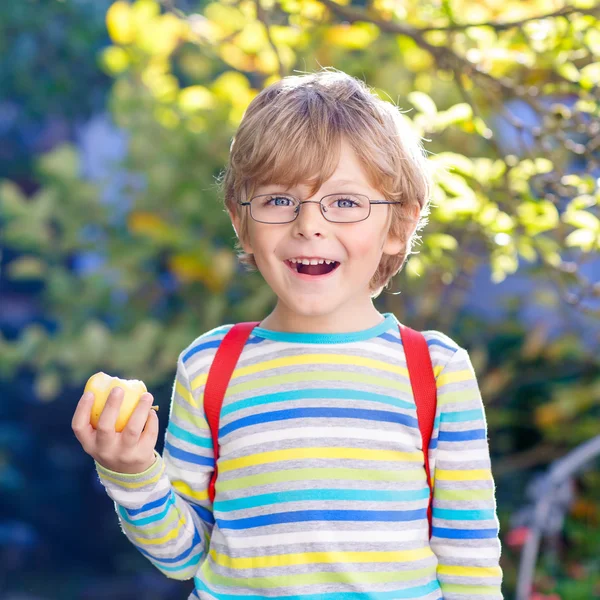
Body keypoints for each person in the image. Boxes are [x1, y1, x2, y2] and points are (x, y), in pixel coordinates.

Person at [72, 68, 503, 599]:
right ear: (240, 220)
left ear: (400, 226)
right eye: (279, 200)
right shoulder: (211, 366)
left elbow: (470, 562)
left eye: (345, 202)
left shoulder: (435, 370)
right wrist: (132, 471)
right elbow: (184, 557)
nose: (309, 225)